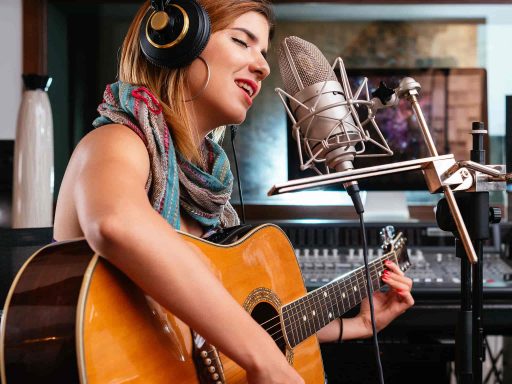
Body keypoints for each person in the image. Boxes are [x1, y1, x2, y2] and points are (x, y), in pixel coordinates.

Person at [53, 1, 414, 383]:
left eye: (262, 51)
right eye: (242, 41)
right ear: (177, 40)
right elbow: (115, 223)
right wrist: (264, 360)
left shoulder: (211, 190)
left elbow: (229, 325)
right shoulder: (115, 142)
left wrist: (356, 325)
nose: (263, 65)